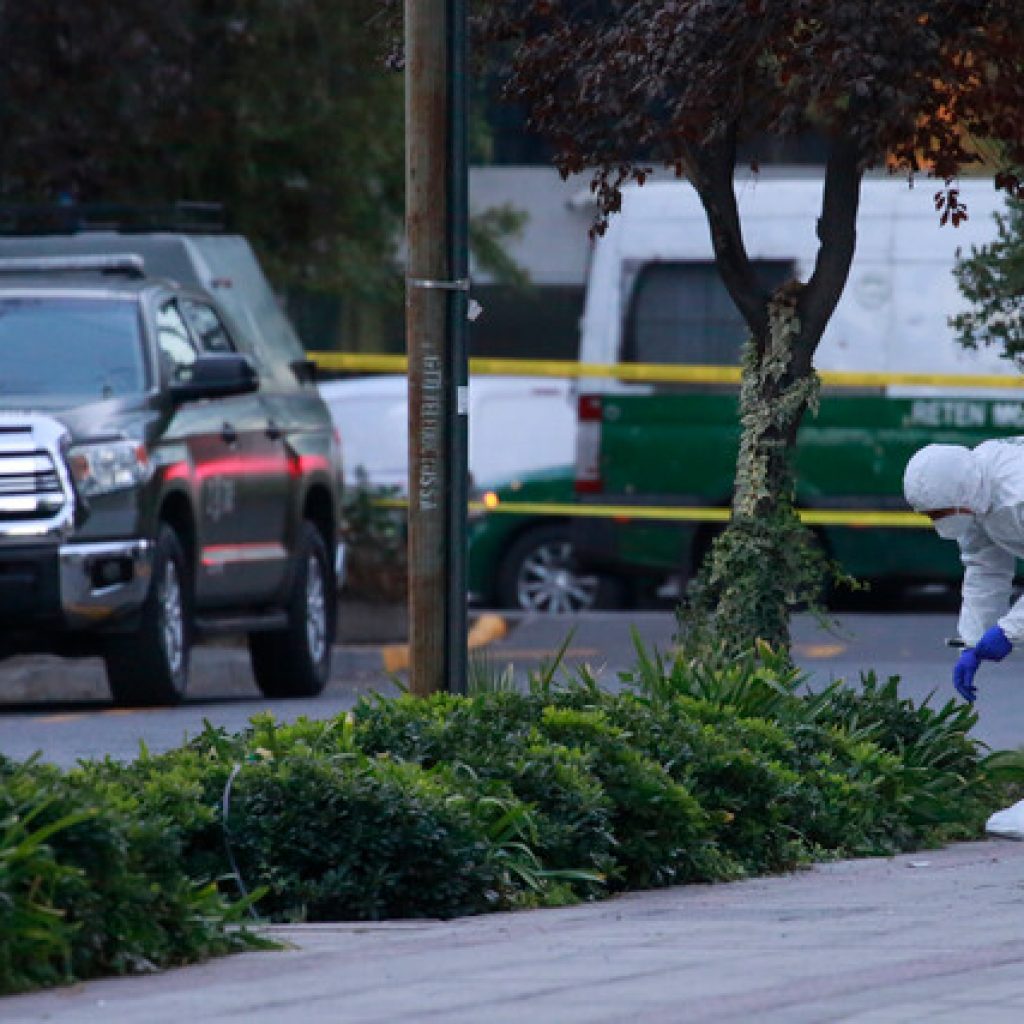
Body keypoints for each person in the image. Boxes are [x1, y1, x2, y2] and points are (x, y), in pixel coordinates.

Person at [904, 439, 1024, 839]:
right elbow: (984, 567)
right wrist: (971, 642)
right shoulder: (976, 496)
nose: (938, 522)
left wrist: (1010, 630)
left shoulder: (1017, 493)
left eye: (941, 513)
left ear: (961, 494)